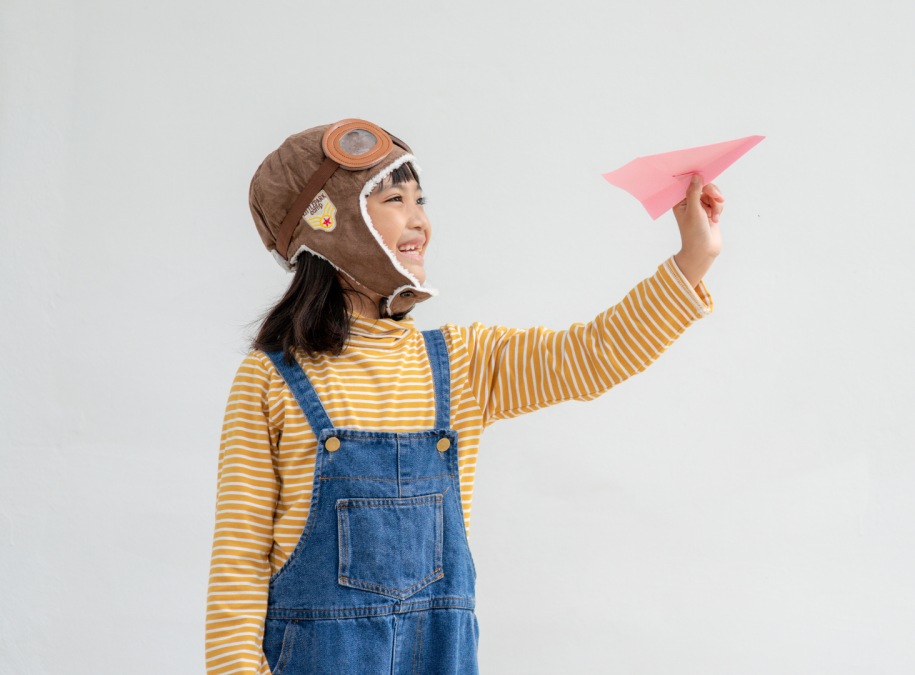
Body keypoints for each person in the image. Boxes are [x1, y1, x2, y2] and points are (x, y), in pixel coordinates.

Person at [205, 119, 724, 675]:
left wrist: (695, 257)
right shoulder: (271, 378)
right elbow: (239, 563)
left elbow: (592, 356)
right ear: (331, 224)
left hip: (439, 653)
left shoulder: (464, 363)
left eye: (420, 199)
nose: (419, 220)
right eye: (394, 199)